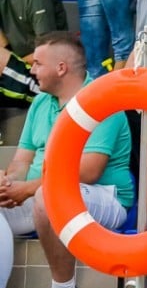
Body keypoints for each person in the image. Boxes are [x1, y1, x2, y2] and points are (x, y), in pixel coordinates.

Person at [0, 32, 133, 288]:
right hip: (41, 195)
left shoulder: (101, 101)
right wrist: (9, 183)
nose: (31, 68)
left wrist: (28, 188)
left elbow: (89, 171)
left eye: (38, 63)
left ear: (61, 68)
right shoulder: (40, 103)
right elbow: (22, 161)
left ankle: (63, 286)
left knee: (48, 195)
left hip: (103, 196)